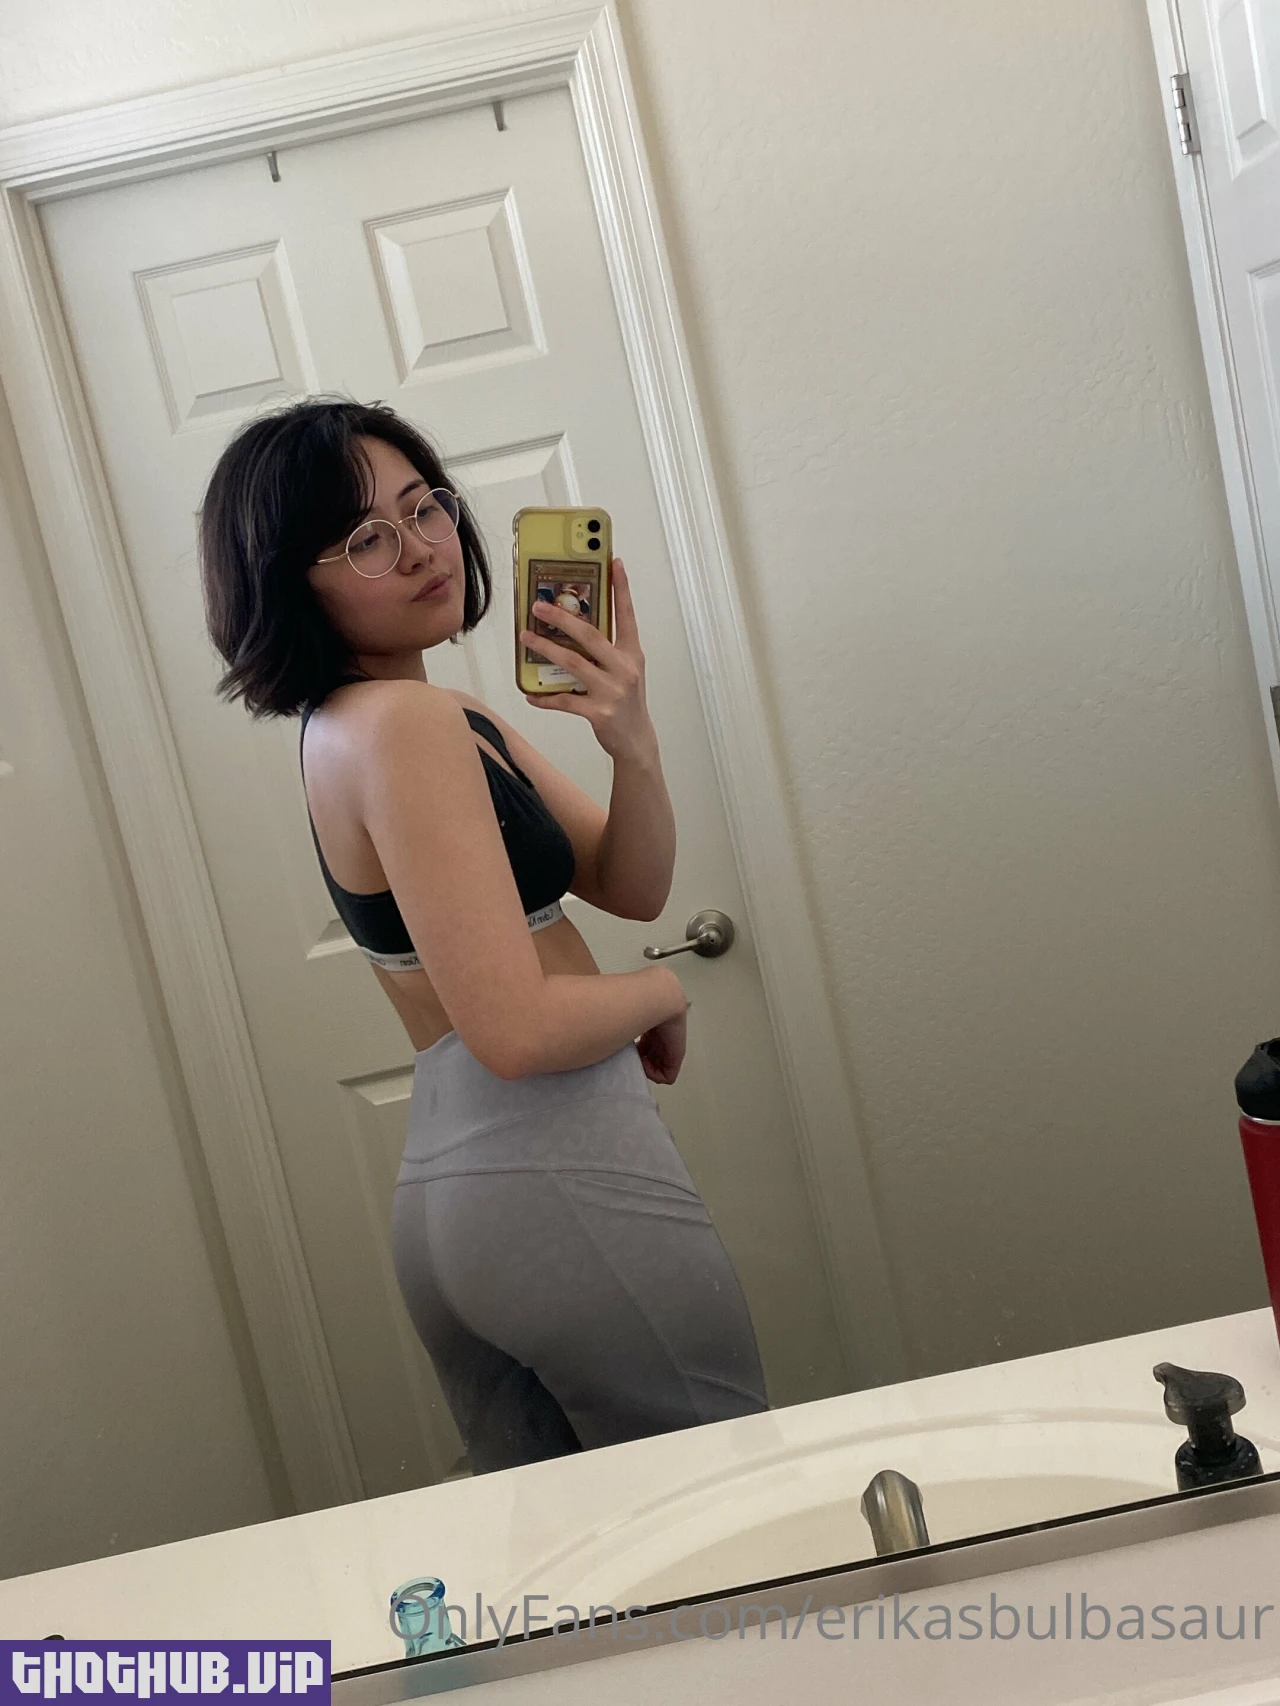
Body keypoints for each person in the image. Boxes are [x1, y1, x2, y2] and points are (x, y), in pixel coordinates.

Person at [197, 395, 769, 1474]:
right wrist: (663, 993)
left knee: (564, 1555)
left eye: (425, 507)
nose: (422, 547)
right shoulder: (406, 726)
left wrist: (631, 739)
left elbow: (631, 884)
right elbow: (514, 1029)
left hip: (457, 1195)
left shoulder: (386, 722)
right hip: (558, 1164)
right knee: (720, 1501)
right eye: (365, 538)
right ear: (288, 582)